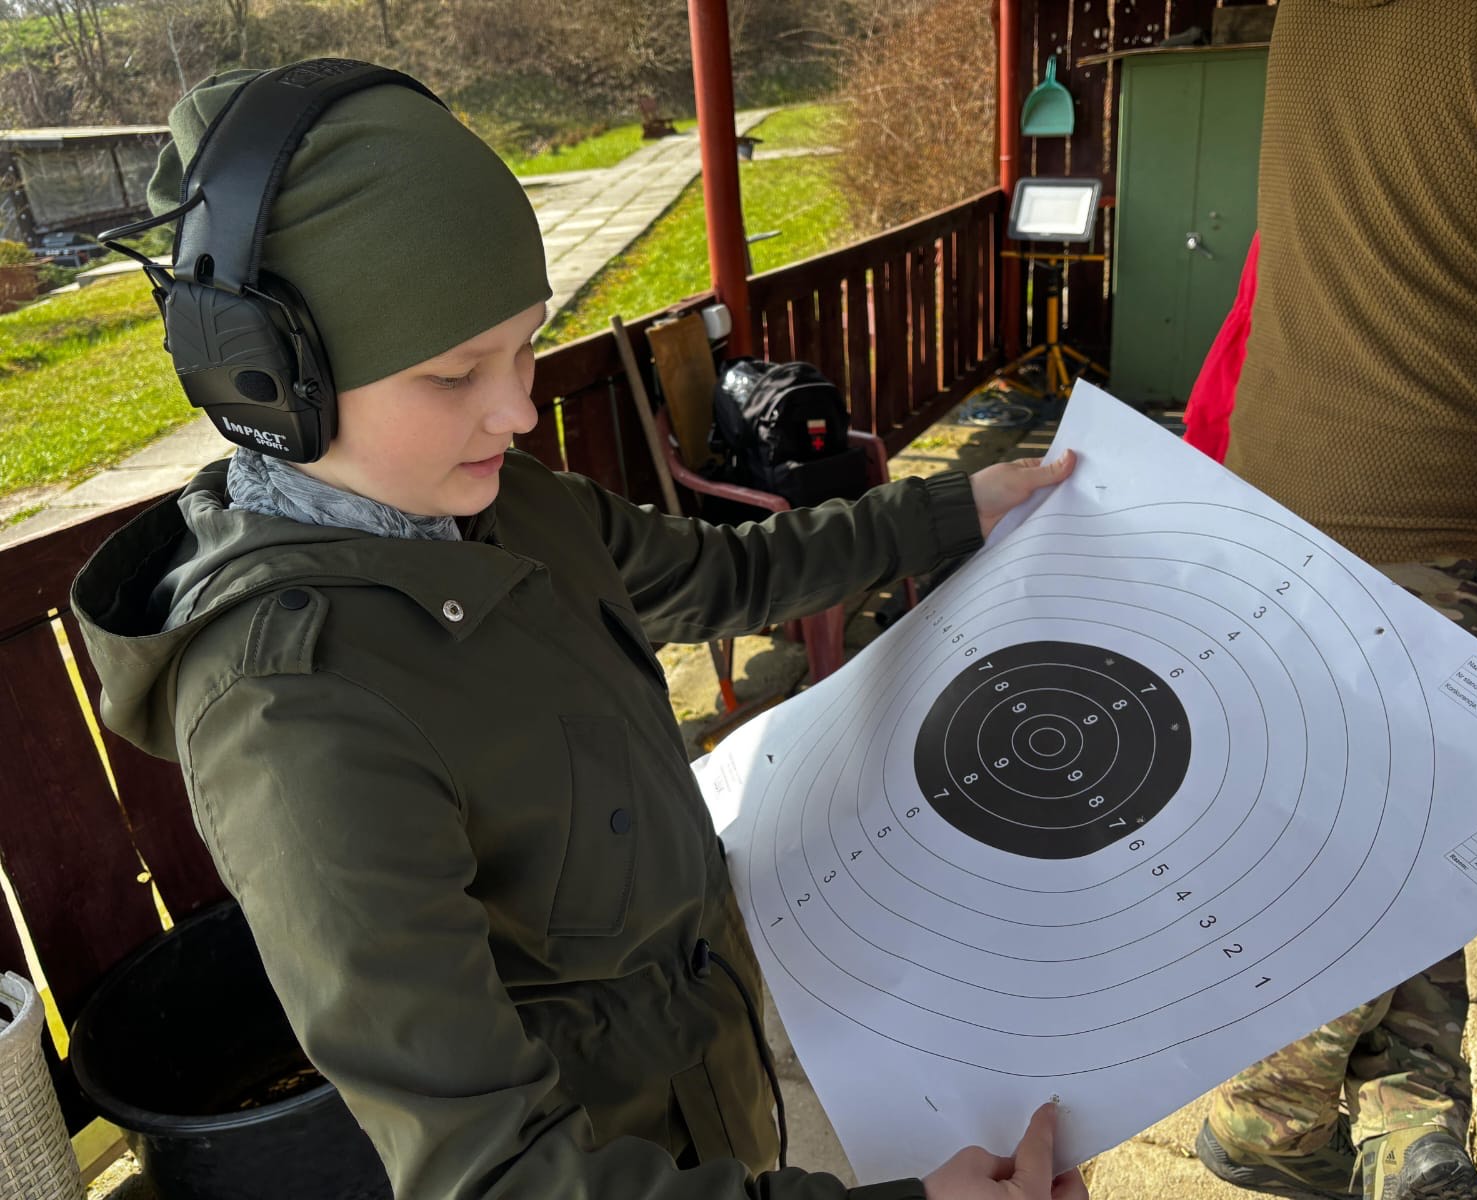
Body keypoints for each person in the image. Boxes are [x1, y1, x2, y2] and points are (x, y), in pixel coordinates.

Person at [70, 62, 1090, 1200]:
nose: (516, 409)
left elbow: (725, 571)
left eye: (524, 348)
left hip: (713, 1094)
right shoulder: (293, 712)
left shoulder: (511, 505)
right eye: (454, 374)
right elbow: (496, 1174)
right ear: (265, 381)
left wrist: (952, 510)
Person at [1193, 2, 1477, 1200]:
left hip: (1273, 491)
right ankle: (1271, 1116)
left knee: (1387, 825)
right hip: (1433, 511)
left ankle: (1410, 1125)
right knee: (1382, 850)